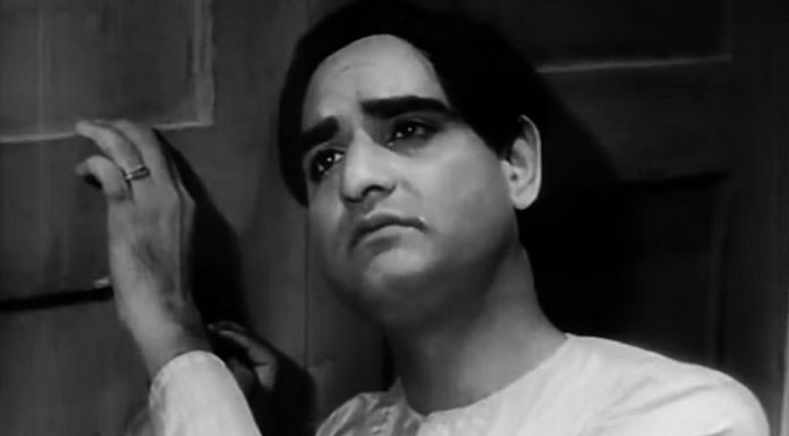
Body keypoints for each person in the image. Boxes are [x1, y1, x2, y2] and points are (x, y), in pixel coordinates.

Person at [75, 1, 770, 435]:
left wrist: (175, 340)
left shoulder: (681, 416)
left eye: (408, 130)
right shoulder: (346, 429)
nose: (357, 178)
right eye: (324, 160)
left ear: (516, 165)